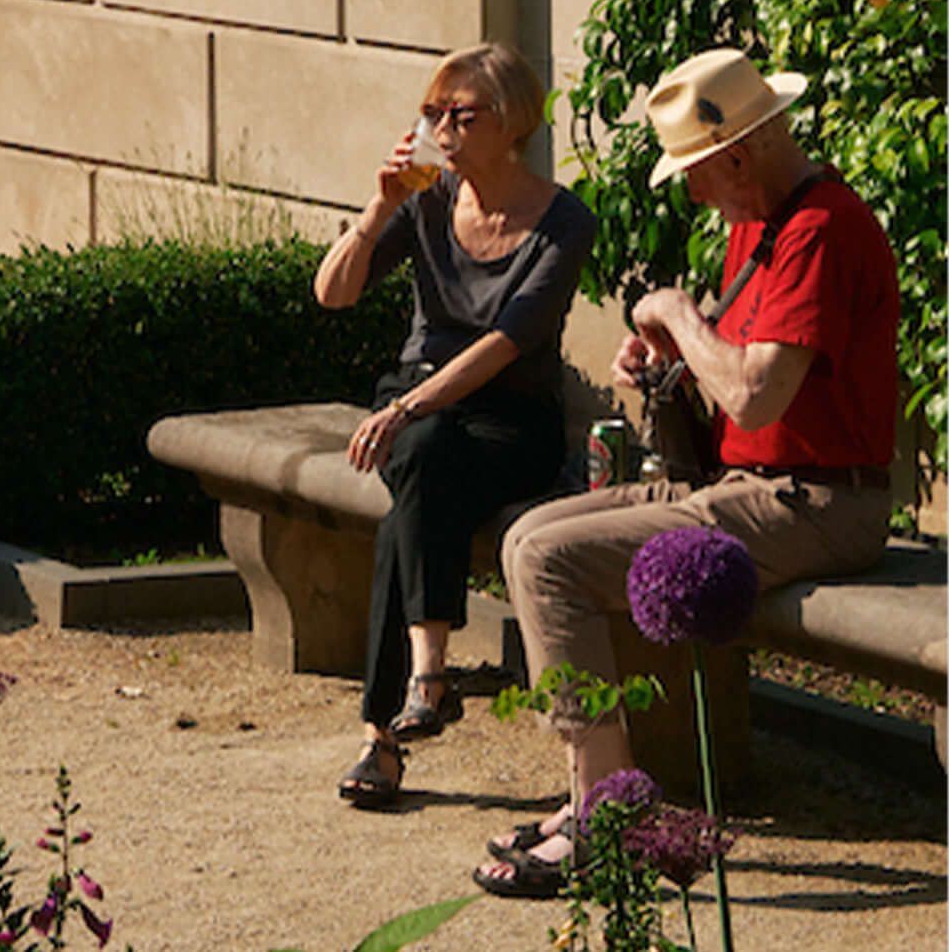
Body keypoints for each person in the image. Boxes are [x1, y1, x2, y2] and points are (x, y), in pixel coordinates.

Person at [476, 48, 900, 903]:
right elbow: (736, 382)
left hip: (820, 503)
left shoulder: (820, 229)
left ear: (737, 157)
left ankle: (608, 813)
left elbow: (753, 393)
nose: (693, 195)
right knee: (526, 536)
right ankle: (595, 790)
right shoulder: (761, 222)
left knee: (552, 562)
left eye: (694, 174)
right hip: (747, 486)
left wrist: (676, 312)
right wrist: (669, 357)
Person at [312, 45, 591, 810]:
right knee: (424, 460)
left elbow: (505, 343)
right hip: (419, 408)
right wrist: (376, 211)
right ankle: (424, 681)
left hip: (511, 418)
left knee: (415, 476)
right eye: (432, 113)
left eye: (460, 115)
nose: (440, 131)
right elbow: (333, 293)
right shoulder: (426, 198)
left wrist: (406, 410)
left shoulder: (564, 222)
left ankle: (385, 729)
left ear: (512, 122)